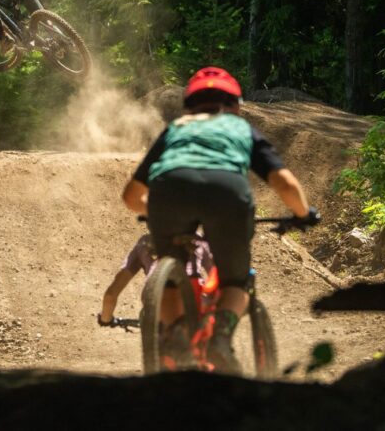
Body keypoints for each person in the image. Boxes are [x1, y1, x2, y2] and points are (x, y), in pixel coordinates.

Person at [120, 67, 319, 374]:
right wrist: (303, 214)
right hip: (227, 195)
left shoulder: (177, 129)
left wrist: (155, 209)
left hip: (168, 193)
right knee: (234, 281)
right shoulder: (240, 128)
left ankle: (174, 336)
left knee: (171, 271)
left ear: (188, 107)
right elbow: (284, 183)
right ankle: (220, 339)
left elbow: (132, 195)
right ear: (237, 106)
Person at [97, 232, 214, 326]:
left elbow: (110, 295)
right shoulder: (197, 242)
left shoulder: (144, 243)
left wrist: (106, 320)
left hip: (156, 302)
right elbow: (217, 278)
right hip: (195, 302)